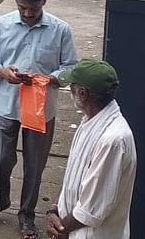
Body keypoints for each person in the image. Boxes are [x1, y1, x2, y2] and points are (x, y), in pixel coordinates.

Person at [0, 0, 78, 238]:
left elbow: (70, 67)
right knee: (0, 160)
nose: (28, 14)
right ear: (16, 2)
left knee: (35, 165)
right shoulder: (1, 25)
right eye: (23, 8)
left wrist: (49, 78)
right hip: (7, 104)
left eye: (33, 8)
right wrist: (2, 71)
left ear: (44, 2)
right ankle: (0, 200)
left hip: (41, 109)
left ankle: (27, 213)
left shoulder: (60, 30)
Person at [48, 60, 136, 239]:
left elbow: (91, 210)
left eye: (72, 86)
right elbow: (73, 176)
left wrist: (60, 231)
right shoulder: (90, 120)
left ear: (82, 93)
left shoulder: (113, 140)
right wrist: (54, 209)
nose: (70, 90)